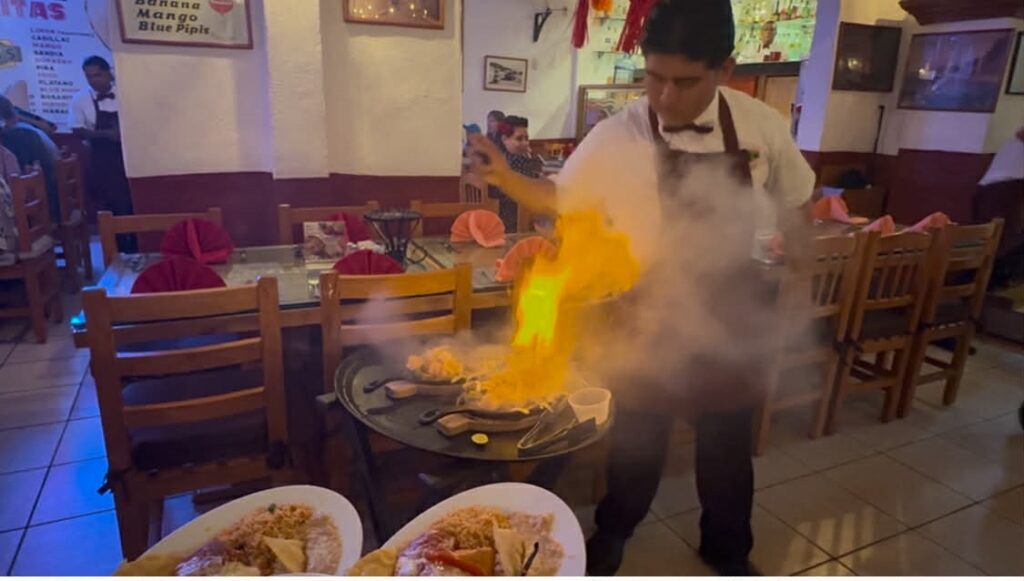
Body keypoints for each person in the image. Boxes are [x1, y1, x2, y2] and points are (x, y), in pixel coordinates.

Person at [468, 0, 814, 575]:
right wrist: (502, 174)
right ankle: (614, 530)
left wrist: (798, 283)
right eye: (654, 78)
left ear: (724, 69)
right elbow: (562, 199)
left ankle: (728, 549)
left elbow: (798, 201)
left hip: (731, 308)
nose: (666, 97)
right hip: (648, 310)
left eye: (685, 82)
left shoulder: (760, 125)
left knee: (728, 448)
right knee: (637, 441)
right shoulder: (618, 132)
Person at [69, 55, 135, 251]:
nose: (93, 80)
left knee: (131, 201)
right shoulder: (80, 99)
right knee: (111, 204)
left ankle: (137, 246)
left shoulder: (126, 93)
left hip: (130, 155)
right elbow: (76, 129)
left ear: (109, 73)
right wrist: (105, 134)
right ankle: (119, 250)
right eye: (88, 76)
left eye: (97, 75)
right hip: (102, 160)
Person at [0, 95, 60, 222]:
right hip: (47, 202)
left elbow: (16, 183)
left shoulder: (16, 136)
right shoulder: (24, 130)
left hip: (38, 212)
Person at [491, 115, 544, 231]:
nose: (525, 143)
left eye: (526, 138)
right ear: (504, 139)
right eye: (519, 139)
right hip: (515, 222)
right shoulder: (517, 161)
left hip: (496, 220)